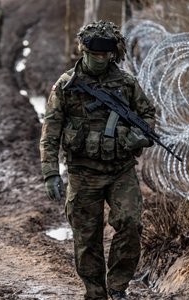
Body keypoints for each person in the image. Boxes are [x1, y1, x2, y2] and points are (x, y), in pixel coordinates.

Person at [40, 20, 156, 300]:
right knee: (86, 238)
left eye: (106, 55)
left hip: (120, 170)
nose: (101, 60)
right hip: (82, 173)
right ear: (84, 52)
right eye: (95, 55)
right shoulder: (67, 86)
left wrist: (136, 137)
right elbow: (50, 130)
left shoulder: (126, 83)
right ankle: (95, 293)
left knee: (130, 223)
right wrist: (50, 173)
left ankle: (117, 287)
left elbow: (148, 117)